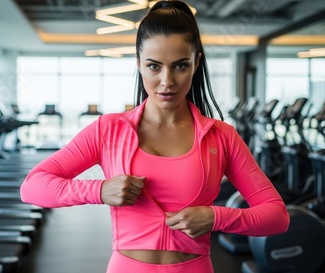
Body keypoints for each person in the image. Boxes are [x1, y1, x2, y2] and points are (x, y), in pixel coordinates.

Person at [20, 1, 290, 272]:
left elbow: (276, 216)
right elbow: (33, 186)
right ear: (138, 64)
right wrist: (99, 190)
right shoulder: (109, 130)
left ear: (196, 63)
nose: (166, 81)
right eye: (154, 66)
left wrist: (216, 217)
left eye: (180, 66)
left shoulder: (221, 137)